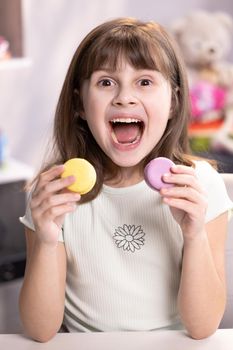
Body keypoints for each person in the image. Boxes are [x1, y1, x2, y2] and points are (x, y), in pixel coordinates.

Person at [19, 17, 233, 342]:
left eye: (144, 82)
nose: (124, 98)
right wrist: (47, 239)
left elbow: (202, 327)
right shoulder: (54, 192)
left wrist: (194, 235)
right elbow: (40, 330)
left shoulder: (201, 185)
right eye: (106, 82)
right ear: (79, 102)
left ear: (174, 101)